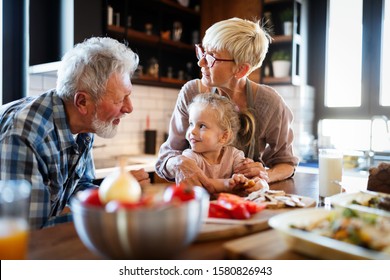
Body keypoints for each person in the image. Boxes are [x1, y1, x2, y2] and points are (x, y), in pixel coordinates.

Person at [0, 37, 150, 229]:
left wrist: (116, 195)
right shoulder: (26, 135)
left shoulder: (85, 125)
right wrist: (112, 214)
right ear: (82, 102)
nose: (129, 108)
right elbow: (30, 231)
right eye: (120, 100)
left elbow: (78, 186)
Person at [156, 17, 299, 188]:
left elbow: (286, 163)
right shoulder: (192, 92)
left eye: (212, 57)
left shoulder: (269, 102)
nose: (201, 62)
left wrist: (264, 175)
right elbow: (166, 157)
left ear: (241, 69)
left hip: (244, 200)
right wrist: (178, 163)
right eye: (203, 52)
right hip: (199, 199)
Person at [182, 92, 268, 194]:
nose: (192, 131)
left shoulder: (234, 155)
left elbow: (248, 180)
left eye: (202, 126)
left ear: (224, 136)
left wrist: (256, 183)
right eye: (191, 124)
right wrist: (227, 184)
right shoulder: (189, 158)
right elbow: (198, 183)